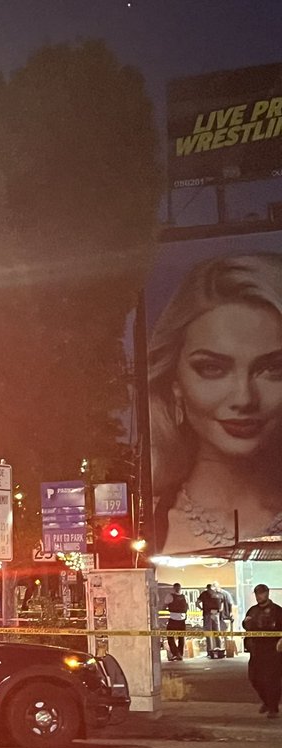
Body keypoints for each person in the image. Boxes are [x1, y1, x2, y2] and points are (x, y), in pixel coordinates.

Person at [148, 254, 282, 554]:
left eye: (273, 369)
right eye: (212, 369)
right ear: (175, 383)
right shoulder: (147, 526)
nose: (244, 398)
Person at [241, 584, 282, 718]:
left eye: (262, 593)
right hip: (256, 650)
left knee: (272, 681)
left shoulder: (277, 611)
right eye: (257, 594)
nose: (259, 596)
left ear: (267, 593)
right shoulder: (252, 611)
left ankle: (273, 708)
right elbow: (247, 626)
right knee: (254, 678)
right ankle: (267, 701)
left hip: (273, 651)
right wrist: (245, 624)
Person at [163, 583, 189, 662]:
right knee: (181, 637)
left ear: (174, 588)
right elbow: (187, 607)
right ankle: (180, 654)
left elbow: (164, 606)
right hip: (182, 620)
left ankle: (176, 653)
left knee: (170, 636)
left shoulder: (170, 596)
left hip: (173, 619)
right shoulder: (185, 597)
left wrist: (164, 610)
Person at [198, 583, 225, 657]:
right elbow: (222, 604)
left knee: (210, 633)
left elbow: (197, 603)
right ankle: (218, 649)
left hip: (209, 613)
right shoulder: (219, 594)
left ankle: (211, 651)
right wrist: (219, 611)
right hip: (215, 613)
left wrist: (202, 609)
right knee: (215, 632)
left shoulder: (204, 594)